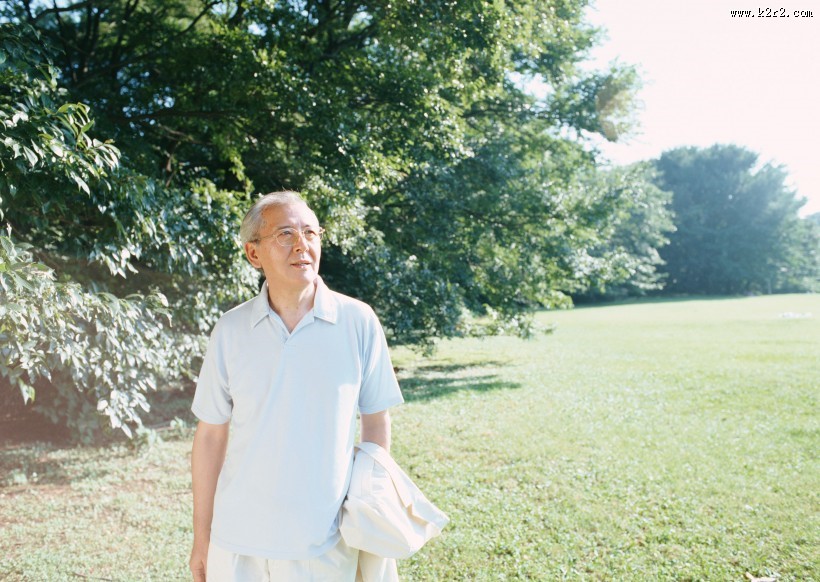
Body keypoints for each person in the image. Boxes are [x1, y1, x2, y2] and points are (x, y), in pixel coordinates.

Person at [189, 191, 404, 581]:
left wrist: (370, 510)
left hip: (324, 540)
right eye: (285, 234)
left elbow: (376, 421)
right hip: (237, 542)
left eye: (311, 233)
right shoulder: (231, 329)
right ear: (253, 254)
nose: (302, 245)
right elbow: (209, 437)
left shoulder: (358, 321)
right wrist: (201, 536)